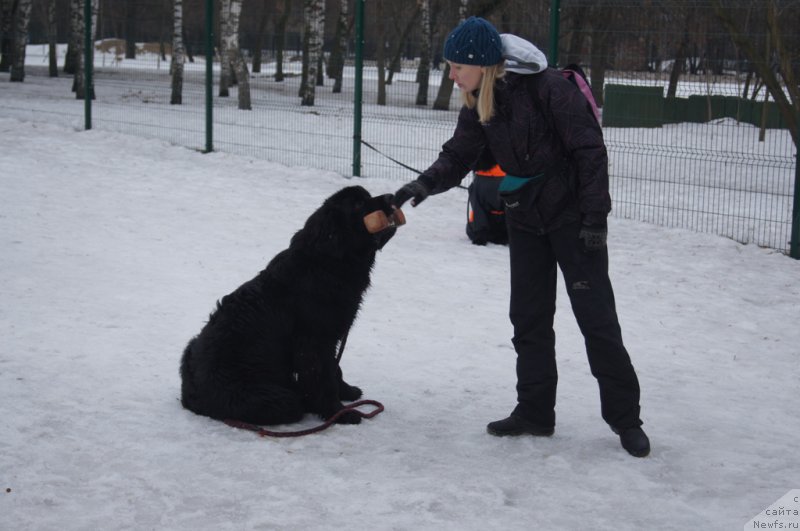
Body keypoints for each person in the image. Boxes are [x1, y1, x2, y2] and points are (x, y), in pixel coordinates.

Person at [391, 17, 650, 457]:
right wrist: (423, 185)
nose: (451, 76)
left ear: (481, 64)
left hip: (572, 219)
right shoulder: (478, 98)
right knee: (528, 318)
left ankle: (626, 420)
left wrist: (594, 218)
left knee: (597, 322)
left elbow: (590, 150)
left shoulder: (550, 89)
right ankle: (534, 411)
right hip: (525, 217)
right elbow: (461, 152)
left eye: (457, 67)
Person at [466, 147, 508, 246]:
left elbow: (478, 208)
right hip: (507, 231)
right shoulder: (509, 179)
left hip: (486, 229)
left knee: (477, 208)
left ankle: (480, 234)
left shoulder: (478, 183)